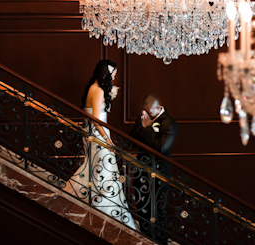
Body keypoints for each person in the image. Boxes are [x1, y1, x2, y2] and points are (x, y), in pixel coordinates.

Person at [67, 59, 136, 230]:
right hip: (98, 135)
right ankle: (101, 208)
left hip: (97, 134)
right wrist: (107, 140)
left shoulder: (96, 88)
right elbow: (96, 119)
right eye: (113, 73)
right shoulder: (97, 90)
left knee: (98, 169)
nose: (114, 77)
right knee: (103, 169)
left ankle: (98, 205)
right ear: (106, 73)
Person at [129, 95, 178, 241]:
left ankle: (160, 242)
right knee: (141, 207)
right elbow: (131, 140)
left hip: (160, 173)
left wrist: (148, 128)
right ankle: (145, 239)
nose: (145, 115)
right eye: (144, 111)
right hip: (141, 170)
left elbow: (160, 149)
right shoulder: (143, 117)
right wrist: (144, 126)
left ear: (158, 108)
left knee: (158, 211)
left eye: (149, 113)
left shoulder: (170, 123)